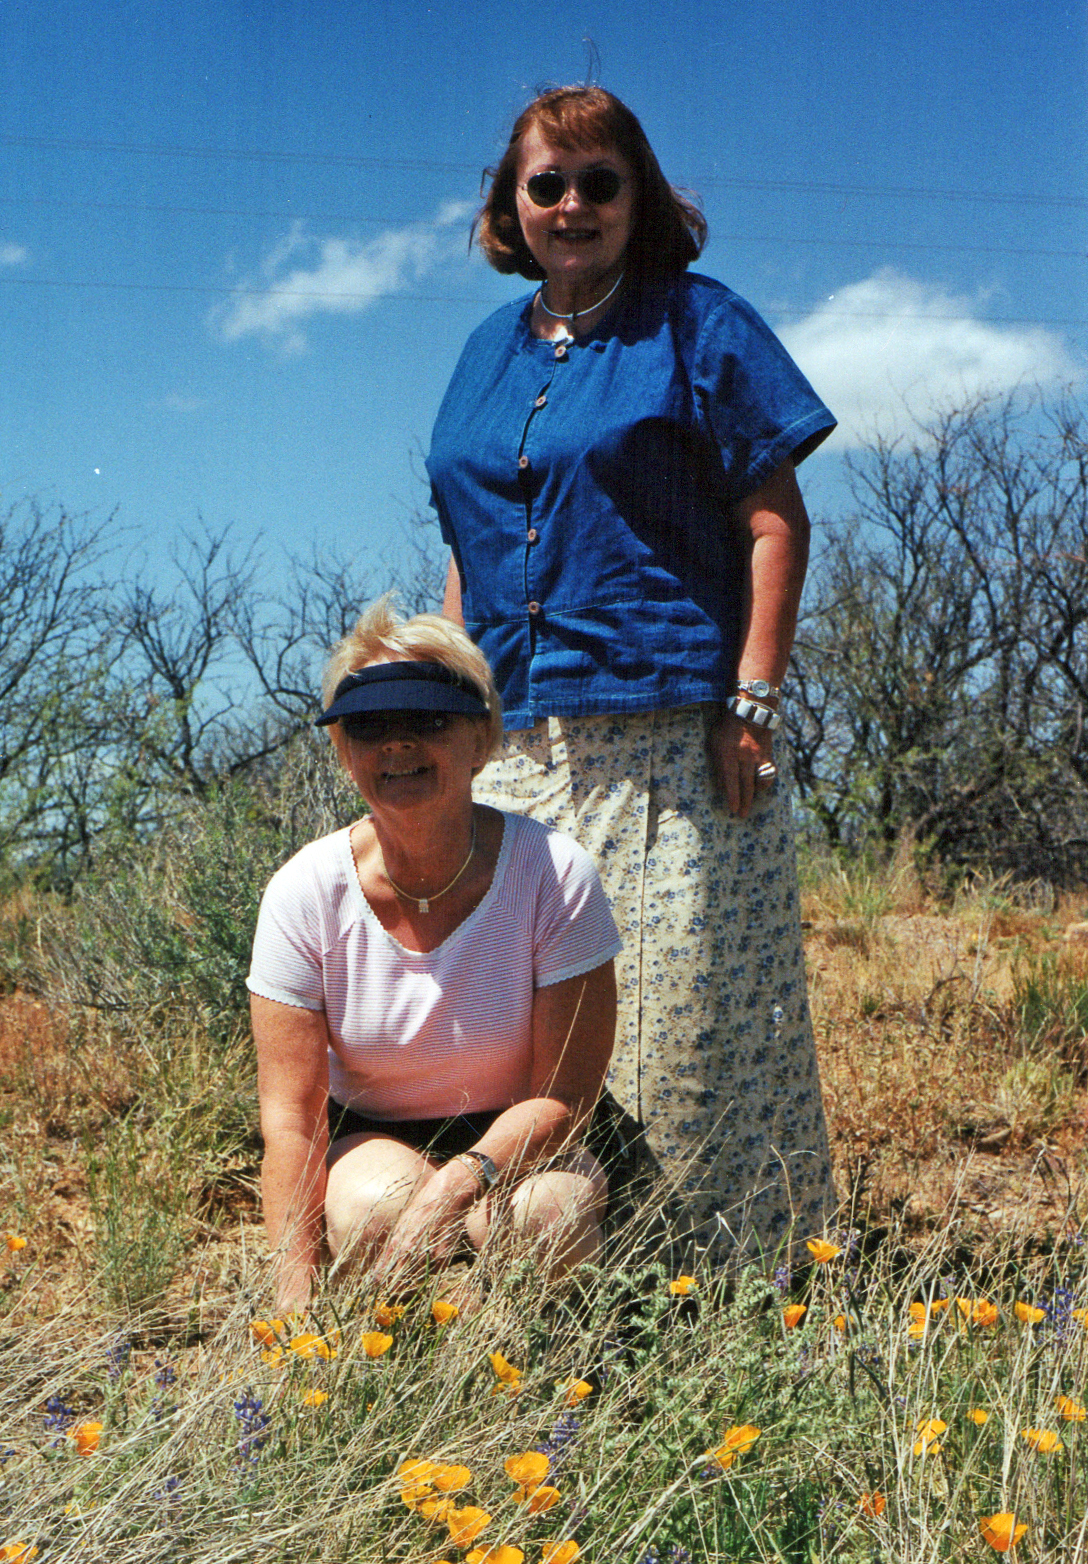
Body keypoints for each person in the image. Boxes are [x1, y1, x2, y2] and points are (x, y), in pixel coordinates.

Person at [426, 86, 837, 1262]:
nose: (571, 205)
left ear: (637, 197)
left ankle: (718, 1298)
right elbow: (468, 545)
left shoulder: (697, 326)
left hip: (667, 739)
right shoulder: (480, 356)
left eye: (597, 183)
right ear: (511, 204)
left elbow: (773, 522)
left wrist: (750, 702)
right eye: (545, 183)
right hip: (512, 748)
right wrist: (461, 709)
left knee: (680, 1036)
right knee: (524, 1035)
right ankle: (536, 1281)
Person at [247, 599, 620, 1311]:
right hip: (376, 1134)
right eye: (369, 726)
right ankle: (405, 1369)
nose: (397, 745)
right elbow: (292, 1122)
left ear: (481, 740)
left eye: (427, 721)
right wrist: (290, 1317)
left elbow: (567, 1096)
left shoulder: (553, 873)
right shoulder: (303, 892)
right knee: (374, 1209)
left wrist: (457, 1183)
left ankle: (546, 1373)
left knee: (544, 1216)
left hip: (524, 1134)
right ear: (341, 751)